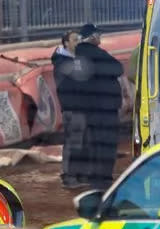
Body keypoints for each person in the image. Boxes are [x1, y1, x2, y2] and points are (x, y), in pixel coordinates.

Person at [70, 24, 124, 190]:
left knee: (94, 143)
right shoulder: (95, 53)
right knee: (106, 144)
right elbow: (118, 68)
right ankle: (103, 180)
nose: (100, 38)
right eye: (98, 35)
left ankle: (94, 177)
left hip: (91, 109)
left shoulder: (79, 57)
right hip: (104, 108)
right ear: (92, 37)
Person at [51, 30, 84, 189]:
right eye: (75, 40)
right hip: (72, 108)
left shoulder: (73, 60)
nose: (78, 42)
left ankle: (75, 174)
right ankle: (69, 176)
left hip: (79, 107)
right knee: (72, 142)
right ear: (66, 43)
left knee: (78, 142)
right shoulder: (62, 63)